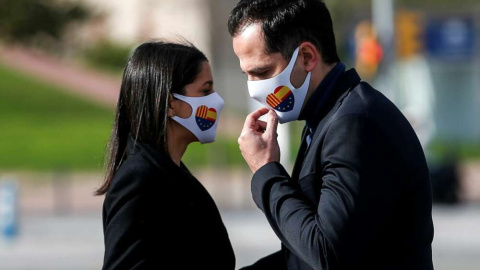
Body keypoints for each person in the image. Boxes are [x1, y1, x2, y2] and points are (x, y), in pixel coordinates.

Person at [228, 0, 434, 269]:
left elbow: (327, 254)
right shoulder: (325, 117)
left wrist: (266, 171)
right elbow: (306, 251)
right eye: (247, 75)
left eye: (262, 72)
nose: (254, 89)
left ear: (307, 57)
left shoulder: (354, 122)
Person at [95, 40, 235, 270]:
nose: (217, 101)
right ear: (171, 104)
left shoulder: (172, 173)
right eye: (206, 90)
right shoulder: (139, 180)